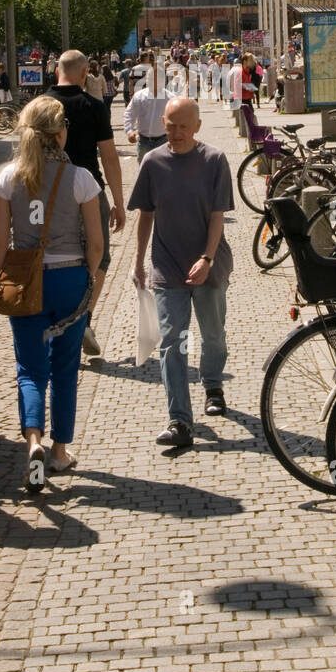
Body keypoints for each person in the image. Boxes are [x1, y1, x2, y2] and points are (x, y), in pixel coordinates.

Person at [0, 97, 103, 486]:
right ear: (60, 133)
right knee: (65, 367)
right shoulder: (82, 179)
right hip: (70, 277)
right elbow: (96, 243)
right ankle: (59, 450)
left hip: (27, 280)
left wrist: (9, 276)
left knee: (30, 370)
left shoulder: (9, 178)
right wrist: (89, 280)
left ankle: (33, 442)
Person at [129, 97, 234, 447]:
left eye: (183, 127)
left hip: (209, 263)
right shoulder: (152, 162)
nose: (175, 133)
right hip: (167, 266)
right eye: (170, 125)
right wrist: (138, 261)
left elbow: (218, 216)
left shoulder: (215, 160)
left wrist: (205, 259)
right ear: (162, 122)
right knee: (173, 341)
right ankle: (180, 421)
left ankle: (213, 383)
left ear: (198, 127)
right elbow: (145, 215)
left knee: (213, 334)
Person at [46, 50, 125, 355]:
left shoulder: (40, 106)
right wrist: (118, 202)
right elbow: (108, 156)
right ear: (83, 75)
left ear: (56, 72)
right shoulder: (93, 106)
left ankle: (53, 318)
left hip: (47, 194)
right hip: (89, 191)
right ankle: (84, 319)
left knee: (54, 256)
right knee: (99, 255)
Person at [125, 60, 168, 161]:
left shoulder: (170, 98)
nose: (154, 81)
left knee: (164, 171)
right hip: (143, 142)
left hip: (164, 141)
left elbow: (177, 119)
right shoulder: (139, 96)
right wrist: (129, 131)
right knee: (144, 172)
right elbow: (129, 114)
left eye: (157, 79)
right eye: (151, 78)